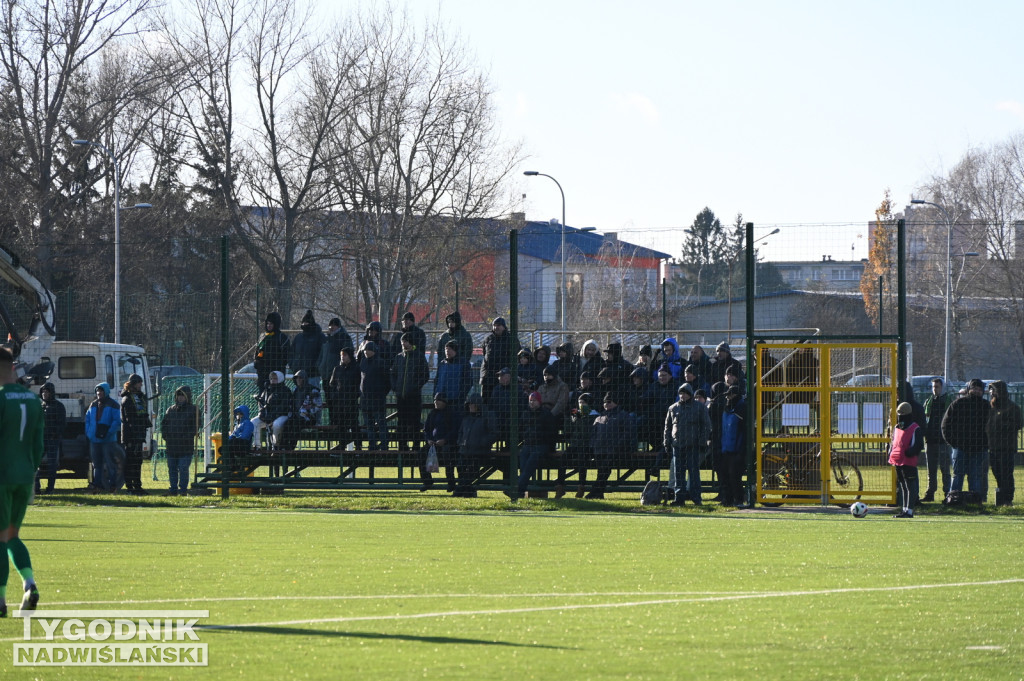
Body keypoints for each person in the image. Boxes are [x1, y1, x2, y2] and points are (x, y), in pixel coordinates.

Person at [0, 347, 44, 617]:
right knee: (12, 535)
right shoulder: (32, 400)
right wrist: (31, 469)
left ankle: (1, 601)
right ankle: (29, 584)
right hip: (24, 475)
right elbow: (38, 444)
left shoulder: (1, 398)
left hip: (1, 476)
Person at [941, 378, 990, 500]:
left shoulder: (986, 406)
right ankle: (953, 499)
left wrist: (985, 445)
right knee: (959, 475)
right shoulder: (958, 404)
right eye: (974, 388)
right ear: (969, 389)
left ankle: (974, 500)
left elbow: (992, 428)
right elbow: (945, 425)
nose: (977, 391)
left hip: (978, 448)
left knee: (975, 476)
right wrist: (953, 443)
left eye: (979, 389)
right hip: (960, 447)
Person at [664, 382, 711, 506]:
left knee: (693, 472)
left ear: (690, 394)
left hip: (693, 445)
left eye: (685, 393)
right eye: (681, 393)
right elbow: (667, 427)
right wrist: (666, 442)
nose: (682, 396)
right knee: (678, 473)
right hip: (677, 445)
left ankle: (696, 498)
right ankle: (679, 498)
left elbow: (706, 425)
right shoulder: (673, 408)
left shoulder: (699, 408)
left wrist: (701, 442)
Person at [586, 393, 637, 499]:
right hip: (599, 450)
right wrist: (593, 447)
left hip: (616, 451)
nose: (606, 404)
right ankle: (598, 493)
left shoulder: (624, 416)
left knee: (604, 470)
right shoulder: (599, 417)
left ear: (616, 403)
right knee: (602, 471)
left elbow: (628, 433)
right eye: (604, 402)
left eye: (609, 402)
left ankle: (595, 491)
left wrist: (618, 446)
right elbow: (593, 434)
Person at [391, 333, 430, 454]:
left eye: (405, 341)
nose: (403, 344)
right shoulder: (399, 357)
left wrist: (414, 387)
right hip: (401, 397)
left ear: (411, 342)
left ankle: (416, 446)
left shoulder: (419, 357)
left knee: (414, 423)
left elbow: (425, 375)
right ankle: (402, 446)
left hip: (413, 397)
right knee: (401, 423)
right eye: (402, 341)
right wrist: (396, 387)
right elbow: (393, 373)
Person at [513, 391, 556, 500]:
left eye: (534, 400)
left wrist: (550, 447)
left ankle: (517, 490)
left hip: (541, 445)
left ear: (539, 401)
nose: (532, 403)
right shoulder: (525, 413)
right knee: (523, 464)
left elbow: (552, 432)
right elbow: (520, 429)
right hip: (528, 444)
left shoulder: (546, 414)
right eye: (530, 400)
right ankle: (520, 490)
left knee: (529, 465)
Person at [985, 380, 1021, 506]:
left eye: (993, 389)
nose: (991, 392)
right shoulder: (991, 408)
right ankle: (1001, 496)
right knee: (997, 472)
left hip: (1007, 447)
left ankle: (1008, 499)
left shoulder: (1012, 407)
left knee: (1006, 473)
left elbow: (1018, 424)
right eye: (990, 390)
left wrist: (1000, 425)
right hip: (993, 446)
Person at [453, 393, 494, 497]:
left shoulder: (487, 416)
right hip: (465, 450)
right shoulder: (466, 418)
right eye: (469, 404)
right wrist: (460, 442)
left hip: (480, 451)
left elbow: (493, 433)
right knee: (460, 467)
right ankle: (467, 490)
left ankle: (460, 489)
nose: (470, 406)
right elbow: (460, 432)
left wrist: (482, 443)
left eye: (472, 404)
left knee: (472, 469)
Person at [161, 386, 199, 496]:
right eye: (179, 395)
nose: (180, 397)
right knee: (172, 469)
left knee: (183, 468)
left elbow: (196, 427)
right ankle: (173, 490)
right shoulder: (170, 409)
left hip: (185, 447)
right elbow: (164, 424)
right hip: (171, 446)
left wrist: (186, 437)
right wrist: (166, 436)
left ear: (188, 396)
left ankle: (183, 490)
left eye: (182, 395)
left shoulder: (194, 409)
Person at [85, 382, 122, 493]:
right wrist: (89, 433)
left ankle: (113, 486)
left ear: (106, 391)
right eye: (97, 391)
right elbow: (87, 420)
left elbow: (117, 421)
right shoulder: (93, 405)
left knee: (110, 463)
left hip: (108, 440)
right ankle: (97, 485)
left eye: (101, 391)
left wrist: (108, 433)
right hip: (94, 440)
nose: (98, 393)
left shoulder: (114, 405)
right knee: (96, 464)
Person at [921, 377, 953, 502]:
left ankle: (947, 493)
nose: (935, 389)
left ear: (942, 387)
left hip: (943, 441)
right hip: (930, 440)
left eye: (937, 387)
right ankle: (930, 493)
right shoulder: (929, 401)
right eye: (933, 387)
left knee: (945, 469)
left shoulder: (948, 401)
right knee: (931, 469)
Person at [889, 402, 923, 518]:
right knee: (902, 485)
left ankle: (909, 511)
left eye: (902, 413)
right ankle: (904, 509)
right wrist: (890, 452)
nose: (900, 416)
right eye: (898, 413)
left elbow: (919, 445)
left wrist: (911, 452)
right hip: (897, 460)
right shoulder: (897, 427)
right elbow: (893, 441)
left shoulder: (915, 428)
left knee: (910, 486)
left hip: (908, 461)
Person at [120, 373, 152, 495]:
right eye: (139, 383)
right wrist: (135, 434)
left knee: (138, 462)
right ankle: (130, 487)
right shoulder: (127, 398)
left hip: (139, 434)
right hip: (131, 436)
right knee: (130, 462)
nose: (141, 385)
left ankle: (137, 486)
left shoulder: (140, 397)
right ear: (134, 383)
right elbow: (129, 419)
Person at [561, 393, 598, 498]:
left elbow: (587, 433)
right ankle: (560, 486)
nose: (581, 405)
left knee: (582, 460)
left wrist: (580, 418)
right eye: (579, 403)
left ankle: (581, 486)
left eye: (583, 403)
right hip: (575, 444)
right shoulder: (575, 414)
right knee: (563, 458)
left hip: (588, 446)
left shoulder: (595, 416)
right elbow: (568, 431)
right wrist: (569, 418)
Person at [421, 392, 458, 492]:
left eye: (438, 400)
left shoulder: (451, 413)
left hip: (448, 444)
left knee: (448, 455)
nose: (436, 402)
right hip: (433, 444)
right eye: (435, 400)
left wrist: (445, 440)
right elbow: (426, 429)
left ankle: (451, 482)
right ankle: (427, 481)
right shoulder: (432, 413)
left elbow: (455, 430)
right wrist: (428, 439)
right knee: (421, 453)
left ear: (444, 402)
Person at [328, 347, 362, 450]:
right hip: (339, 403)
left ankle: (358, 447)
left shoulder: (356, 368)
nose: (342, 357)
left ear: (350, 356)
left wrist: (354, 395)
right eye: (341, 355)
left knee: (354, 425)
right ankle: (342, 446)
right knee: (341, 426)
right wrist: (335, 396)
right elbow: (332, 384)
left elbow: (359, 384)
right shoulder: (337, 369)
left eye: (345, 355)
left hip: (351, 402)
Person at [480, 317, 520, 403]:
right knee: (486, 401)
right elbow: (485, 353)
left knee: (502, 402)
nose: (496, 327)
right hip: (488, 376)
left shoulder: (512, 339)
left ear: (504, 327)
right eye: (494, 325)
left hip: (504, 377)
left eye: (498, 325)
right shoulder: (488, 338)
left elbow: (517, 357)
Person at [35, 382, 66, 495]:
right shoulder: (41, 405)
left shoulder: (58, 406)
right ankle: (36, 488)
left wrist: (54, 433)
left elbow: (62, 424)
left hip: (53, 440)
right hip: (41, 439)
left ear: (51, 392)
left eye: (46, 391)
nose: (44, 393)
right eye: (43, 391)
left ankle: (50, 488)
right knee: (35, 463)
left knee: (52, 465)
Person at [279, 369, 322, 450]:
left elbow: (318, 406)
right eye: (297, 378)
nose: (298, 380)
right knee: (287, 424)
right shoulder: (296, 390)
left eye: (300, 378)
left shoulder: (313, 390)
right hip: (296, 417)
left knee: (295, 425)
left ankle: (291, 448)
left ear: (304, 379)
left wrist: (306, 412)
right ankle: (282, 447)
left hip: (309, 418)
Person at [359, 340, 390, 451]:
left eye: (368, 350)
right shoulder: (363, 362)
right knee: (370, 426)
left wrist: (381, 393)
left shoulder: (381, 363)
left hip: (377, 400)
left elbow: (387, 381)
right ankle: (372, 445)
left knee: (381, 425)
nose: (366, 352)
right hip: (366, 400)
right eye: (365, 350)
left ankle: (384, 445)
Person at [719, 384, 747, 506]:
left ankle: (739, 499)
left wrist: (740, 450)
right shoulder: (727, 409)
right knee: (725, 474)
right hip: (726, 448)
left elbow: (743, 431)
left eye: (730, 395)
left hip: (737, 449)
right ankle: (728, 499)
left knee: (734, 475)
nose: (728, 398)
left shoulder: (741, 408)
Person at [251, 371, 292, 449]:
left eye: (275, 378)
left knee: (277, 424)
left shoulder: (285, 391)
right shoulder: (267, 390)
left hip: (281, 416)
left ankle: (276, 446)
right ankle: (257, 446)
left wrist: (272, 417)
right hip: (268, 417)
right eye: (272, 378)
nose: (273, 380)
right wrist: (262, 415)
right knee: (254, 422)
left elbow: (283, 407)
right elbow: (261, 403)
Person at [435, 341, 474, 423]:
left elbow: (468, 381)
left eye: (450, 349)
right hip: (441, 400)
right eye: (446, 349)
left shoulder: (463, 363)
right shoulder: (442, 363)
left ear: (455, 350)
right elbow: (437, 380)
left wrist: (460, 396)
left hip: (456, 401)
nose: (447, 351)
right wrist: (435, 394)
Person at [254, 311, 290, 390]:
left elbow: (286, 355)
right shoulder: (263, 336)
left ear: (275, 324)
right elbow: (258, 350)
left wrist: (277, 365)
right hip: (262, 372)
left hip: (276, 373)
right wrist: (257, 361)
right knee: (262, 394)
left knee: (275, 394)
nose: (269, 326)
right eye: (267, 323)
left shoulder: (282, 337)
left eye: (271, 324)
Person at [317, 317, 354, 392]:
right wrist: (319, 366)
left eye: (334, 325)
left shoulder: (345, 338)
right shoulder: (327, 339)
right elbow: (321, 354)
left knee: (336, 398)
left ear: (338, 326)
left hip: (337, 375)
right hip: (325, 374)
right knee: (328, 398)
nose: (331, 327)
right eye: (330, 325)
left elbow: (348, 355)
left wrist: (340, 368)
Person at [290, 309, 325, 387]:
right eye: (304, 322)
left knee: (313, 396)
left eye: (307, 323)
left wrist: (316, 367)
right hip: (299, 375)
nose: (305, 324)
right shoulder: (298, 337)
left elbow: (323, 354)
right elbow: (291, 353)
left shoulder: (319, 337)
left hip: (313, 375)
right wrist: (294, 366)